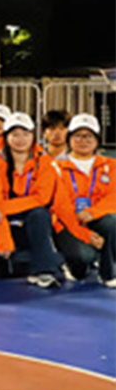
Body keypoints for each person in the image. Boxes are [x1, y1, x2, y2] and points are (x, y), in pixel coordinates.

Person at [0, 112, 64, 287]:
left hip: (29, 221)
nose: (21, 139)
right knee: (0, 263)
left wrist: (5, 207)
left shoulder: (45, 162)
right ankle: (40, 258)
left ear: (33, 136)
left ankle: (45, 271)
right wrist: (4, 241)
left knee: (40, 214)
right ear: (6, 137)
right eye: (15, 134)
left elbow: (42, 198)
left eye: (25, 134)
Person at [52, 113, 116, 287]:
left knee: (112, 222)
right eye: (78, 136)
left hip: (96, 218)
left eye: (89, 136)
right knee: (83, 257)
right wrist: (83, 231)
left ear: (96, 140)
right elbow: (59, 204)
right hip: (67, 222)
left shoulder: (111, 165)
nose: (83, 140)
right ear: (69, 139)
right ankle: (74, 265)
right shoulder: (55, 167)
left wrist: (92, 213)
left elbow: (113, 197)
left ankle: (108, 272)